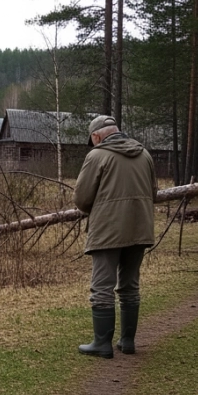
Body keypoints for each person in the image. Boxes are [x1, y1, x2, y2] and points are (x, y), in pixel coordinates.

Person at [73, 115, 157, 358]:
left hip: (108, 229)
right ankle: (128, 341)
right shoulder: (145, 155)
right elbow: (153, 192)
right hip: (140, 228)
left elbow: (81, 199)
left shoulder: (97, 156)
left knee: (102, 286)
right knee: (130, 285)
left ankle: (102, 343)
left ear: (97, 136)